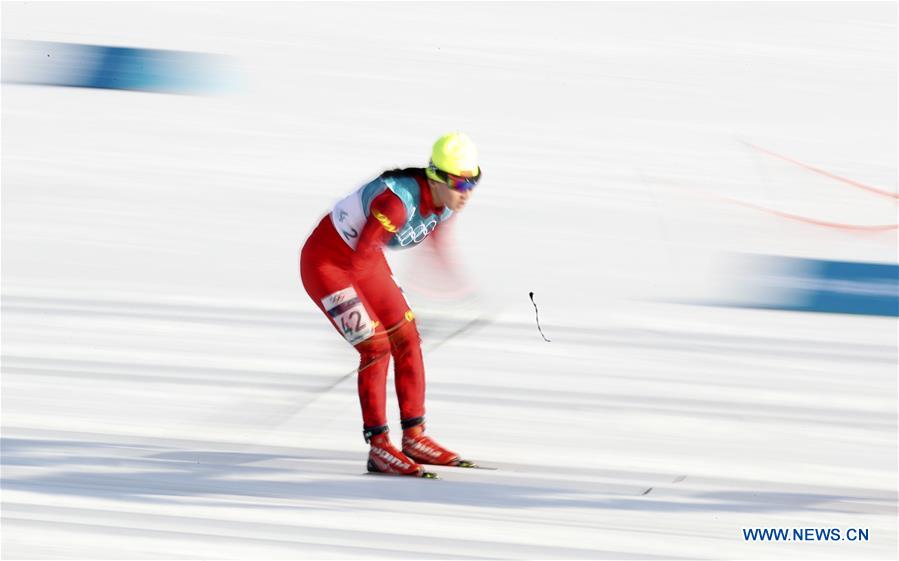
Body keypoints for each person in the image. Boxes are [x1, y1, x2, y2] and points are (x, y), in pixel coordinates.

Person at [299, 132, 482, 477]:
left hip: (363, 262)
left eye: (474, 180)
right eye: (460, 182)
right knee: (377, 346)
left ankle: (414, 436)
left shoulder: (448, 202)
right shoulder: (395, 203)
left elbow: (436, 244)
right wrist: (364, 326)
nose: (467, 191)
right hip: (327, 264)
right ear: (436, 177)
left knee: (408, 338)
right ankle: (379, 447)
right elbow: (359, 261)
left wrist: (458, 289)